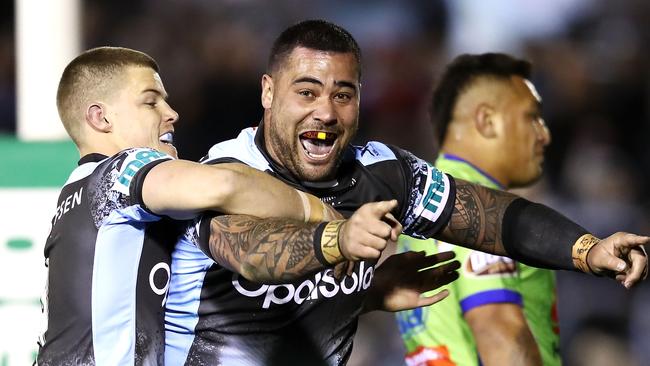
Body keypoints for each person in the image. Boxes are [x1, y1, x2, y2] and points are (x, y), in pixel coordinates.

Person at [164, 20, 649, 365]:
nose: (326, 113)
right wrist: (337, 241)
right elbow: (250, 253)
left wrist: (587, 248)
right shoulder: (227, 171)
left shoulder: (382, 171)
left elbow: (490, 216)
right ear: (269, 92)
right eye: (306, 92)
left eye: (343, 94)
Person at [37, 46, 458, 366]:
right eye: (151, 101)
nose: (171, 113)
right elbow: (222, 183)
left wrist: (363, 294)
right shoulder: (123, 171)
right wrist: (320, 213)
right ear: (100, 118)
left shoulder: (81, 199)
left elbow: (210, 307)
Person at [396, 53, 560, 366]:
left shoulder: (427, 202)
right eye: (531, 117)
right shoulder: (475, 211)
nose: (544, 134)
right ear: (486, 121)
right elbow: (498, 331)